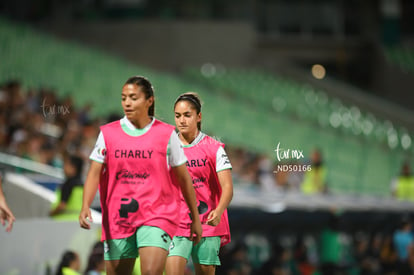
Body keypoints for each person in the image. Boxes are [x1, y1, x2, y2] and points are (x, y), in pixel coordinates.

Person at [79, 76, 202, 275]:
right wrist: (85, 205)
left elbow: (184, 178)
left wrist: (195, 218)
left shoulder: (167, 134)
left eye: (133, 97)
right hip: (119, 216)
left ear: (149, 101)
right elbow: (94, 173)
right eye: (124, 97)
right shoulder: (108, 134)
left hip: (157, 214)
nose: (127, 102)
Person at [166, 92, 233, 275]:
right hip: (177, 221)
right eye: (178, 116)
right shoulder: (167, 148)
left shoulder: (214, 148)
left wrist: (218, 212)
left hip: (208, 223)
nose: (182, 120)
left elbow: (227, 187)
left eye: (187, 115)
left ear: (198, 116)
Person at [50, 154, 84, 220]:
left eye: (66, 165)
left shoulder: (68, 184)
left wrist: (51, 213)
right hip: (78, 221)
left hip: (63, 222)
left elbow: (62, 206)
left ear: (73, 168)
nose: (63, 167)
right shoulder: (83, 185)